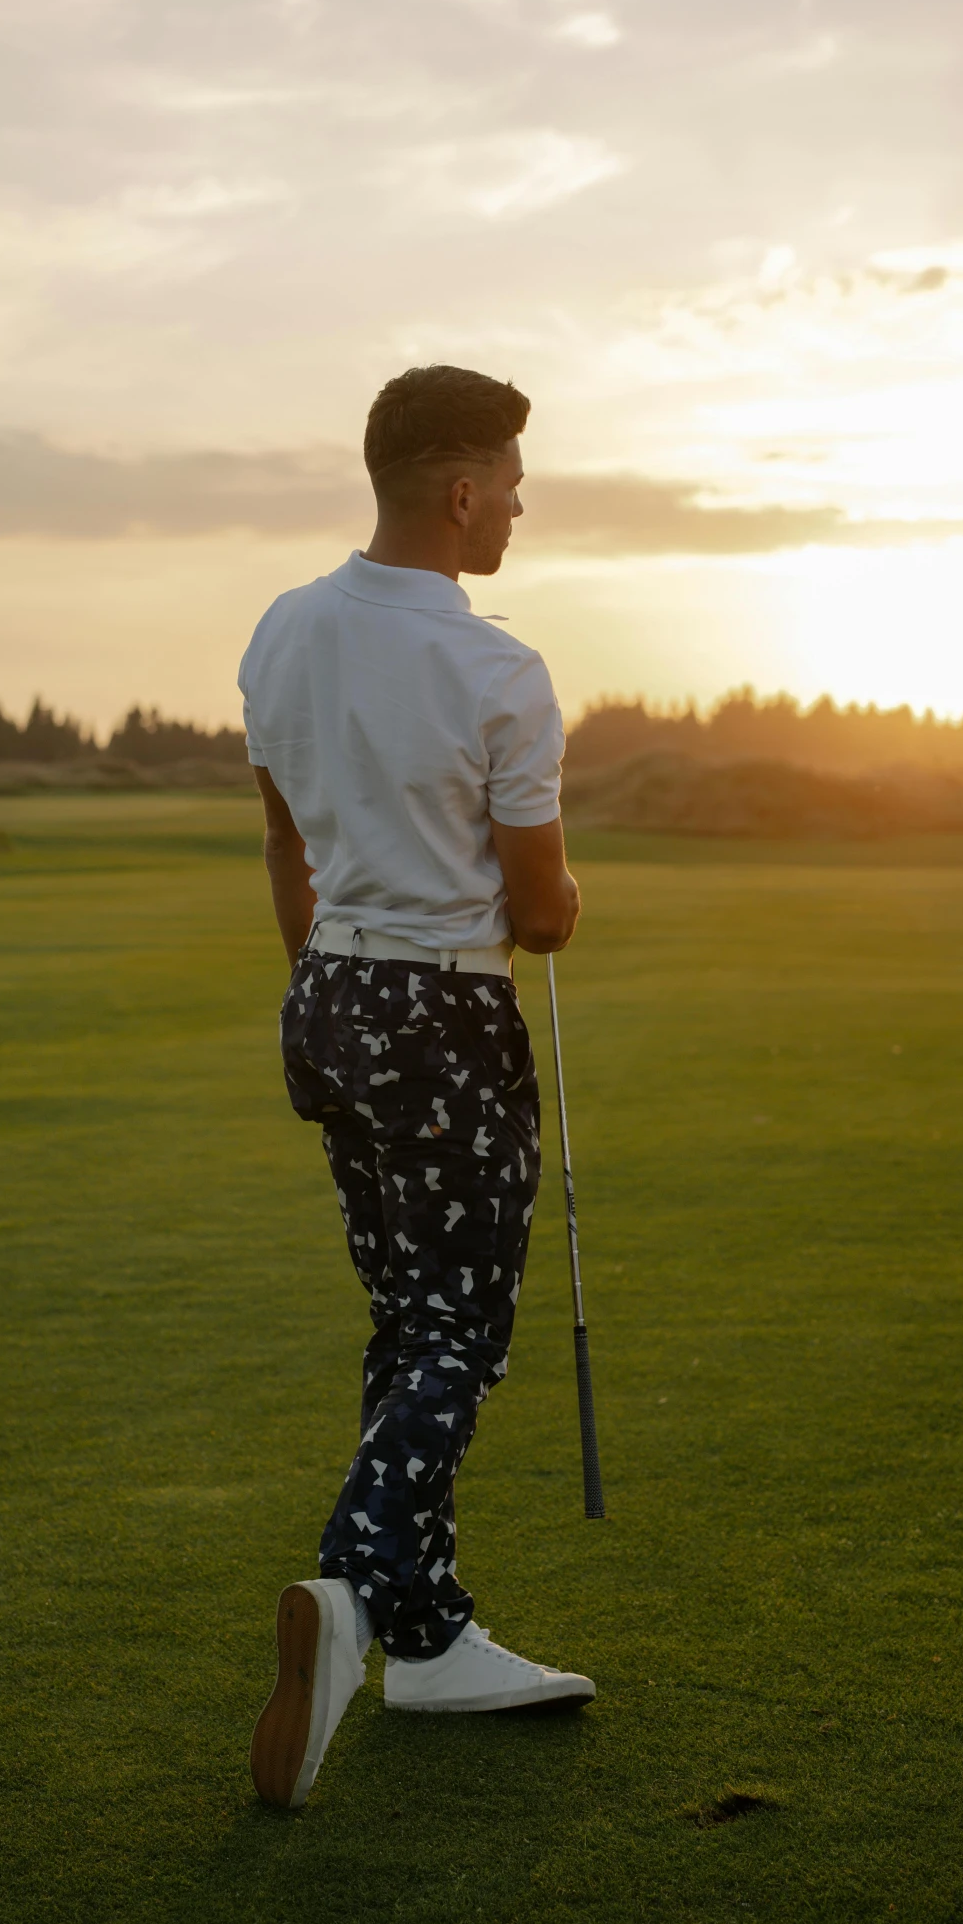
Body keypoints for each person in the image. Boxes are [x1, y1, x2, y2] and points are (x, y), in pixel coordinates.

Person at [238, 363, 594, 1813]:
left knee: (406, 1316)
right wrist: (559, 901)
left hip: (327, 995)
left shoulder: (281, 626)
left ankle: (432, 1636)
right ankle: (353, 1584)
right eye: (510, 479)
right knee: (458, 1331)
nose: (518, 501)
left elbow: (283, 847)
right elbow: (543, 906)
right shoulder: (497, 667)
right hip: (444, 1010)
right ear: (460, 490)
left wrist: (336, 981)